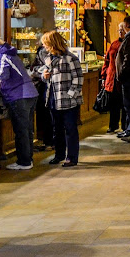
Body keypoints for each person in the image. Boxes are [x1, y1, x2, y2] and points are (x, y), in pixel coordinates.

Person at [0, 37, 38, 171]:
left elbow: (0, 74)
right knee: (27, 129)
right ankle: (27, 159)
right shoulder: (8, 54)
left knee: (21, 130)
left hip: (19, 95)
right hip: (28, 93)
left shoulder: (1, 56)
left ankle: (24, 161)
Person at [35, 31, 83, 167]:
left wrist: (71, 95)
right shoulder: (49, 58)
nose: (45, 47)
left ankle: (72, 157)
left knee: (70, 129)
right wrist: (44, 75)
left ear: (53, 44)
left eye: (46, 44)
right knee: (57, 129)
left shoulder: (70, 58)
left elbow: (78, 78)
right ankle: (59, 154)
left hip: (68, 101)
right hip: (53, 98)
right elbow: (44, 74)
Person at [102, 22, 127, 134]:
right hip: (112, 79)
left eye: (122, 29)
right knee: (113, 104)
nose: (120, 31)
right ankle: (113, 125)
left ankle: (125, 127)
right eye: (119, 29)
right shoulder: (114, 44)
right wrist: (103, 76)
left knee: (125, 105)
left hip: (124, 79)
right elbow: (107, 61)